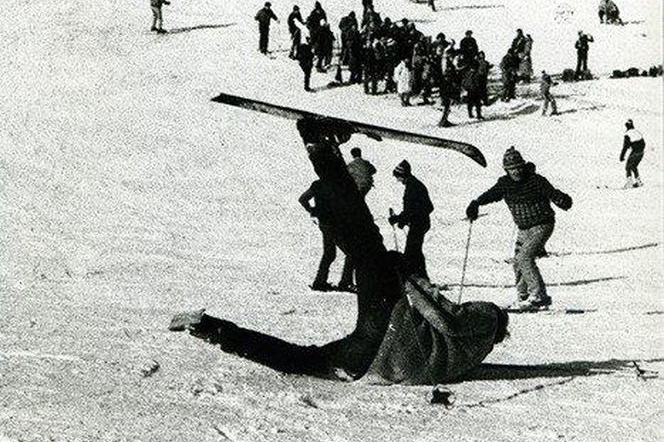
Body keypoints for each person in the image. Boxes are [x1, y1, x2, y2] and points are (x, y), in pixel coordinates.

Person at [170, 117, 508, 384]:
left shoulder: (484, 319)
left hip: (386, 324)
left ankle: (320, 146)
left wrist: (407, 277)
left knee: (365, 239)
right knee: (299, 359)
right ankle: (211, 328)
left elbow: (443, 315)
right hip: (365, 364)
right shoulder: (471, 356)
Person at [466, 147, 572, 310]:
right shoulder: (505, 184)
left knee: (524, 258)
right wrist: (476, 203)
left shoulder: (535, 180)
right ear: (506, 170)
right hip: (524, 228)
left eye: (518, 167)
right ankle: (524, 297)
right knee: (517, 262)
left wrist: (561, 199)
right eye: (512, 169)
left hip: (542, 225)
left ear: (523, 166)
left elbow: (552, 193)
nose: (516, 172)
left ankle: (539, 296)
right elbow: (491, 194)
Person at [337, 148, 377, 292]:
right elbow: (374, 170)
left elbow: (344, 173)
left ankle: (346, 281)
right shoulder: (365, 162)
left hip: (357, 191)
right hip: (366, 187)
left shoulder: (351, 165)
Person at [389, 160, 434, 278]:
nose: (398, 180)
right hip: (420, 223)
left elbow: (414, 208)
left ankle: (409, 277)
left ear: (403, 175)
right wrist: (402, 219)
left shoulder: (413, 187)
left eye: (398, 177)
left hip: (418, 224)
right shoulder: (413, 184)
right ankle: (421, 276)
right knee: (416, 250)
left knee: (411, 251)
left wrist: (400, 219)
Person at [299, 178, 340, 291]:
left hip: (324, 221)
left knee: (329, 253)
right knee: (334, 253)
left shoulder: (317, 184)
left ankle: (320, 281)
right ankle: (320, 281)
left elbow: (303, 199)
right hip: (336, 222)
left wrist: (312, 210)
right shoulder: (337, 184)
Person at [619, 119, 645, 188]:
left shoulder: (628, 134)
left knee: (628, 167)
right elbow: (643, 143)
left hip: (635, 152)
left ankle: (629, 182)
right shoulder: (637, 132)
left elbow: (625, 147)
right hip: (641, 152)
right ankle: (638, 181)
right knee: (634, 166)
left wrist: (622, 156)